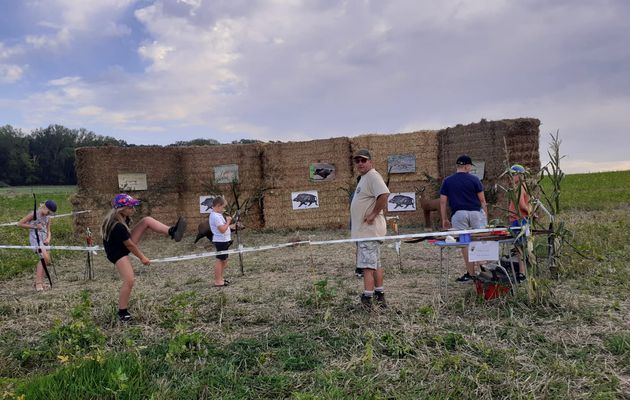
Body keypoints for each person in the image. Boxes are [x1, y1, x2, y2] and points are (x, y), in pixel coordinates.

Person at [101, 193, 187, 321]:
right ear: (121, 208)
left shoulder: (122, 218)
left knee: (146, 220)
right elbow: (129, 245)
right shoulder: (117, 226)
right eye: (130, 207)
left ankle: (172, 232)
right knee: (129, 280)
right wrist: (142, 257)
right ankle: (122, 313)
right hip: (117, 253)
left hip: (122, 244)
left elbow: (128, 240)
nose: (133, 210)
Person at [350, 149, 390, 309]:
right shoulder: (364, 178)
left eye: (363, 160)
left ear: (371, 162)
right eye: (357, 161)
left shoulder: (373, 176)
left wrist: (373, 214)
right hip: (366, 232)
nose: (360, 163)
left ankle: (367, 299)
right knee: (375, 265)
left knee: (367, 266)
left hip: (369, 231)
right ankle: (380, 295)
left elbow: (384, 195)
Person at [439, 155, 488, 283]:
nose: (470, 169)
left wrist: (444, 218)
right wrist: (485, 217)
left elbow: (443, 202)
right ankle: (484, 271)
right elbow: (482, 200)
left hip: (459, 214)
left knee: (464, 244)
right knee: (479, 241)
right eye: (470, 166)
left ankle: (471, 274)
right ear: (466, 166)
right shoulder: (475, 180)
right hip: (476, 214)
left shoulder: (447, 181)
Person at [17, 199, 57, 291]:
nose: (48, 214)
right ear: (44, 207)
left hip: (44, 240)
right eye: (48, 212)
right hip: (36, 239)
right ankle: (38, 283)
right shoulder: (34, 214)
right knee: (44, 258)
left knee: (46, 260)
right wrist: (34, 226)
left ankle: (41, 283)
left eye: (50, 213)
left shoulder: (48, 218)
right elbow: (20, 224)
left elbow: (48, 230)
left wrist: (48, 238)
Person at [507, 164, 529, 282]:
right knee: (519, 246)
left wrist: (529, 212)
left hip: (519, 220)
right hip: (518, 219)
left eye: (513, 175)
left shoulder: (520, 187)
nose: (511, 177)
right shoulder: (520, 186)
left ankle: (522, 272)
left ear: (520, 175)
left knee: (519, 246)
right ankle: (522, 270)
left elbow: (521, 205)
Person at [209, 196, 235, 287]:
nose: (224, 209)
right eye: (223, 207)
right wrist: (228, 221)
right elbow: (222, 229)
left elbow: (224, 228)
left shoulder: (218, 215)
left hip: (224, 240)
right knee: (220, 260)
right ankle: (218, 281)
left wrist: (232, 226)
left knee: (224, 260)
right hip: (221, 241)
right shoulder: (215, 216)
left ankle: (220, 278)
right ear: (218, 206)